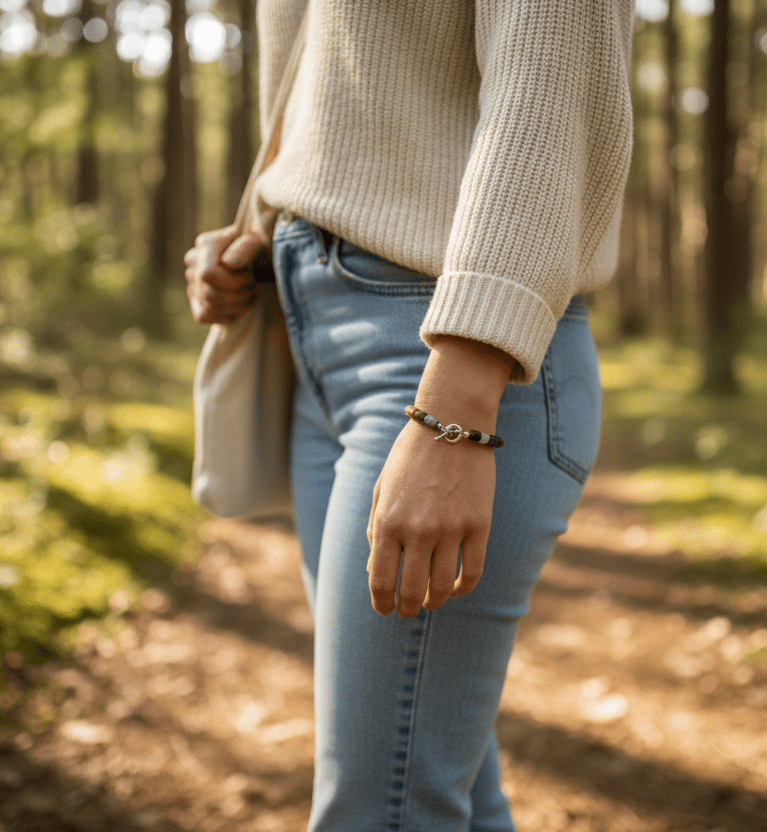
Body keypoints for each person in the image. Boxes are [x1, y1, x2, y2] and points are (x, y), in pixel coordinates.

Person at [185, 2, 634, 829]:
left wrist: (455, 407)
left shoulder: (456, 388)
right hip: (317, 337)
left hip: (449, 363)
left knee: (383, 806)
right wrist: (262, 228)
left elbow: (548, 91)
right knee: (429, 778)